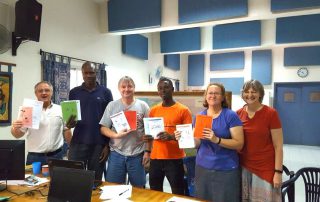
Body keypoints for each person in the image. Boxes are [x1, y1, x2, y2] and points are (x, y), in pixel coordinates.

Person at [175, 83, 244, 202]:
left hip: (226, 169)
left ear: (222, 97)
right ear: (206, 96)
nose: (213, 95)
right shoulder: (200, 116)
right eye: (210, 93)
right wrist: (183, 138)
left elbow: (239, 143)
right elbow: (196, 143)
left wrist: (217, 140)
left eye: (216, 93)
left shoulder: (230, 116)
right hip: (202, 167)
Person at [237, 80, 283, 202]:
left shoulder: (271, 113)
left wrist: (278, 172)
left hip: (265, 167)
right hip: (243, 166)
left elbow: (278, 146)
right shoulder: (238, 114)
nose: (250, 94)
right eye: (246, 91)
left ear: (260, 94)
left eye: (254, 91)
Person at [144, 77, 192, 195]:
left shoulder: (183, 110)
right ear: (158, 91)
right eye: (160, 88)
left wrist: (171, 137)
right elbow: (150, 136)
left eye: (166, 87)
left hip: (174, 159)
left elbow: (188, 138)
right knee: (155, 193)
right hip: (155, 159)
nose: (163, 90)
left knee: (178, 192)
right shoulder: (153, 110)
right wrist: (147, 150)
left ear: (173, 89)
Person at [100, 76, 150, 187]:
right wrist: (115, 135)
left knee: (139, 190)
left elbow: (149, 132)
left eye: (129, 86)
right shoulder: (112, 105)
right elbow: (103, 128)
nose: (126, 89)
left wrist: (147, 151)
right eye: (123, 87)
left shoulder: (143, 106)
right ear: (119, 88)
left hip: (137, 154)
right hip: (116, 153)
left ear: (134, 88)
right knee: (112, 188)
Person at [68, 61, 113, 180]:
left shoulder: (106, 92)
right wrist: (70, 123)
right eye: (85, 73)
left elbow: (111, 121)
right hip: (78, 142)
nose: (88, 75)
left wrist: (107, 145)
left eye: (91, 72)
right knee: (75, 178)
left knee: (95, 180)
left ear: (96, 73)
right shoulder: (74, 92)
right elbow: (70, 119)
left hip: (99, 143)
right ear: (82, 74)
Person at [11, 81, 70, 165]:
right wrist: (14, 128)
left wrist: (72, 148)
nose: (44, 93)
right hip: (35, 158)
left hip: (56, 156)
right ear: (36, 93)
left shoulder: (60, 109)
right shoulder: (28, 110)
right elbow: (17, 135)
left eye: (47, 90)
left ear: (51, 93)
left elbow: (67, 130)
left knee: (57, 178)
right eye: (40, 91)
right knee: (32, 178)